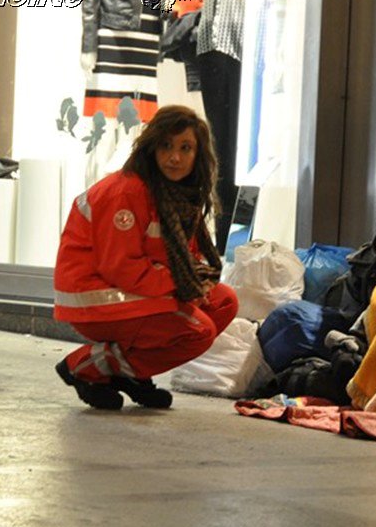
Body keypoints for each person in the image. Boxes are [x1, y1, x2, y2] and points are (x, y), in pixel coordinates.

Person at [53, 105, 239, 410]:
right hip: (95, 294)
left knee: (223, 301)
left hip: (133, 288)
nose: (174, 157)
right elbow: (120, 268)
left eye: (185, 148)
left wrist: (191, 282)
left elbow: (178, 257)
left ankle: (131, 372)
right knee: (198, 331)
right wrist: (181, 285)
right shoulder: (126, 192)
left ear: (198, 155)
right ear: (151, 147)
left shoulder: (176, 194)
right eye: (166, 146)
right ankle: (90, 365)